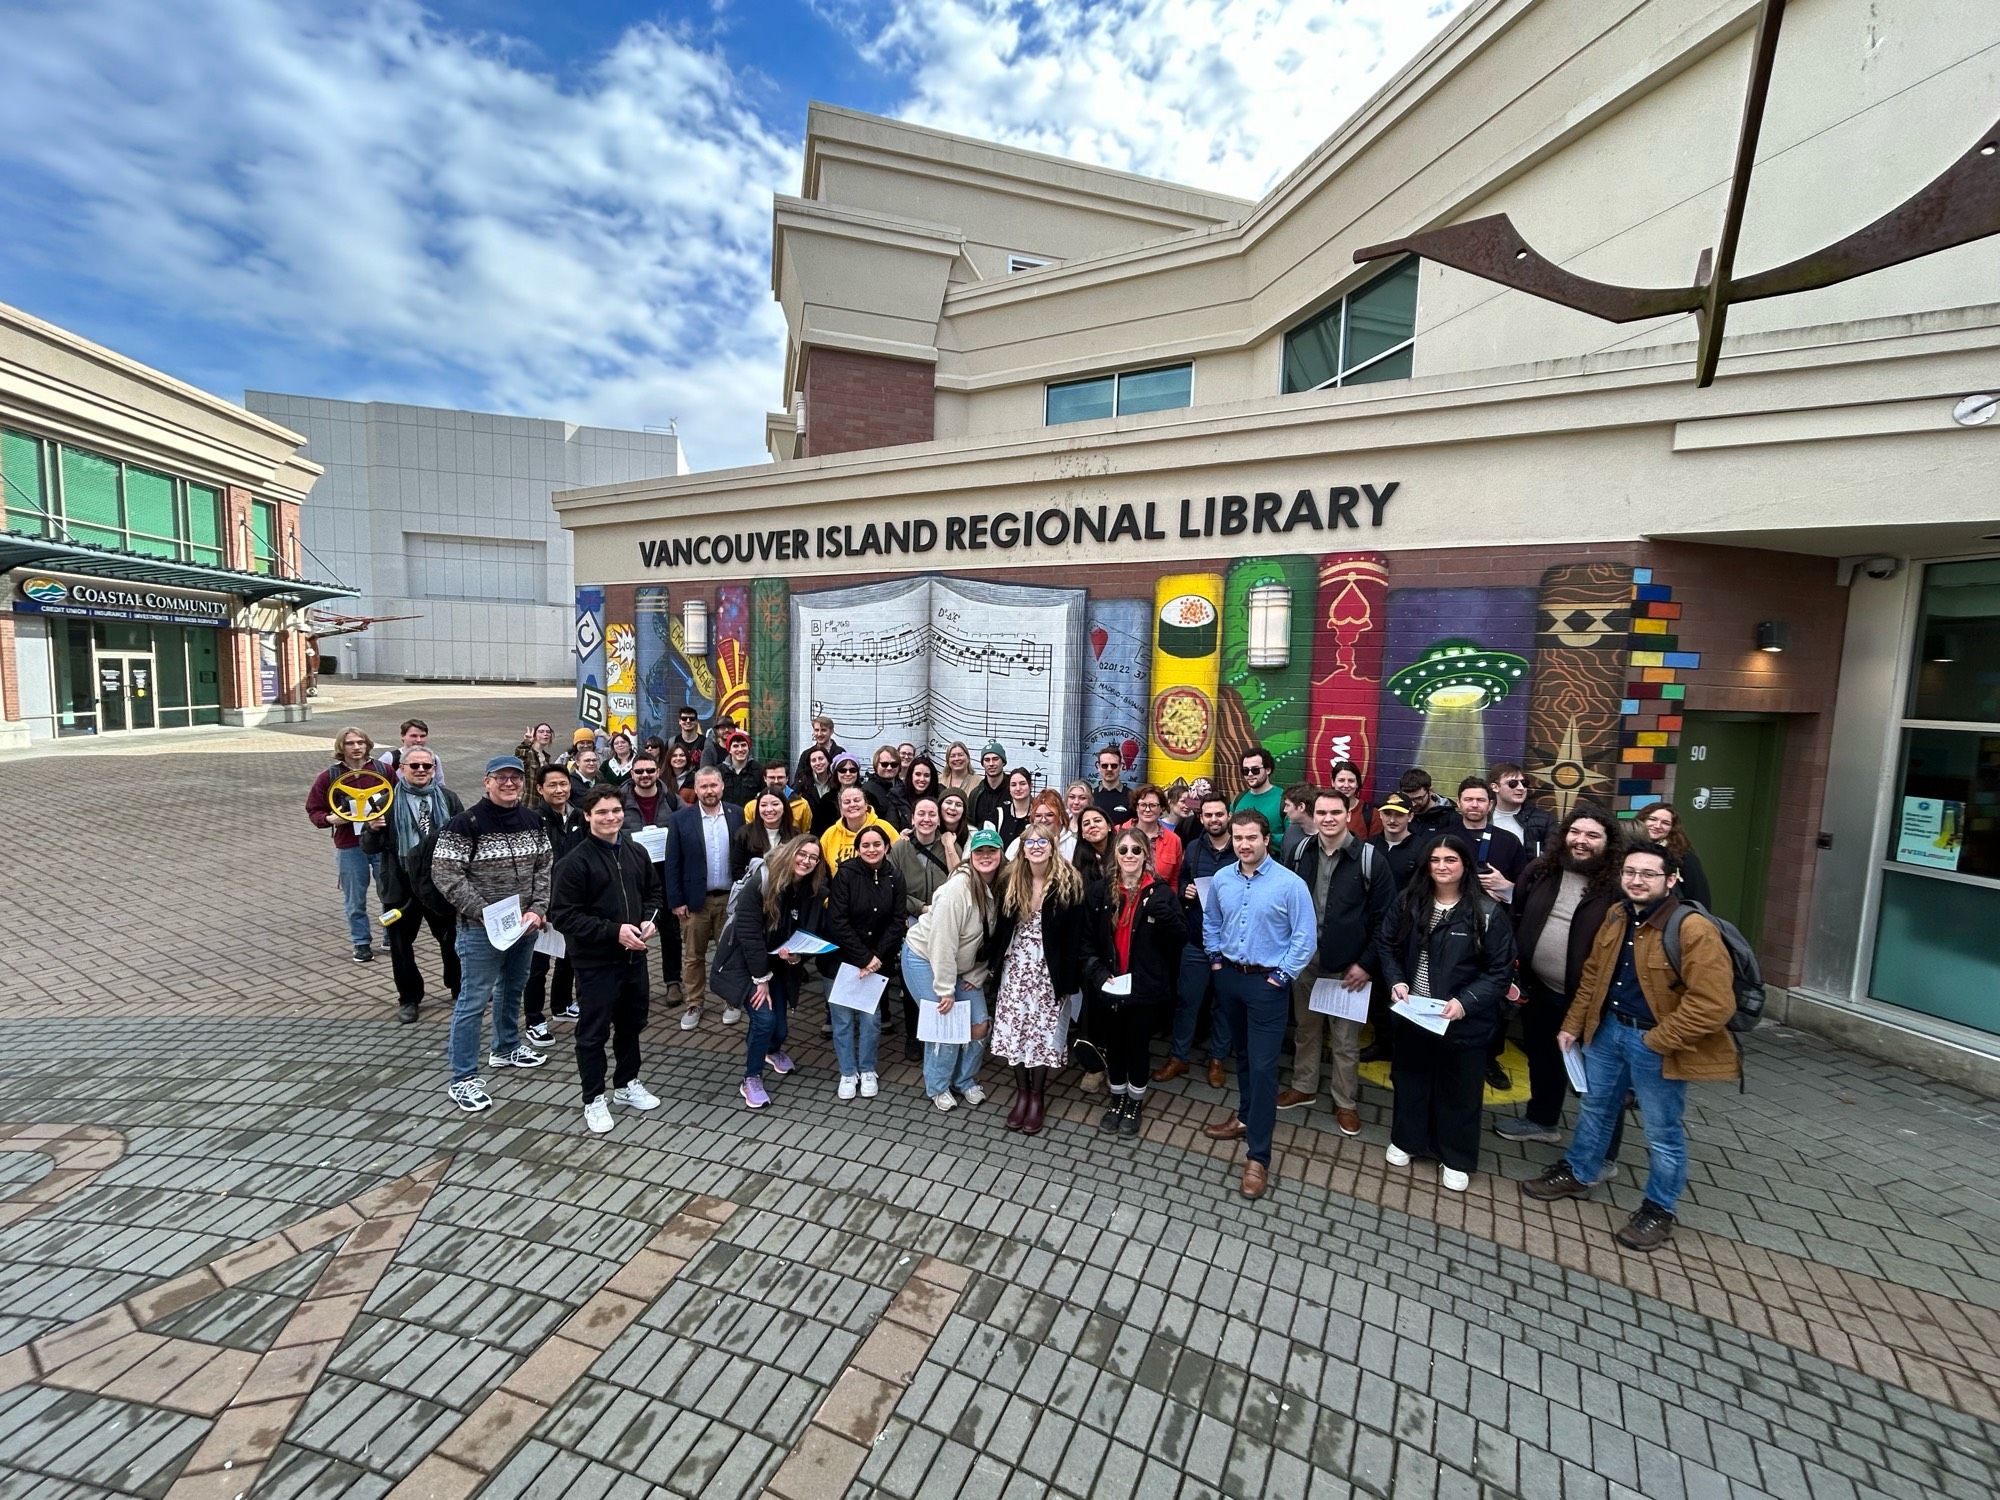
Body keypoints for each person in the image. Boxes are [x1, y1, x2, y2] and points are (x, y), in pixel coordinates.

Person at [1522, 840, 1739, 1251]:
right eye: (1630, 873)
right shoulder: (1617, 915)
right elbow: (1593, 975)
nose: (1636, 880)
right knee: (1596, 1108)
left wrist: (1659, 1040)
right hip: (1606, 1033)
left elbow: (1714, 1004)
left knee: (1662, 1131)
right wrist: (1574, 1024)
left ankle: (1659, 1209)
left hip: (1656, 1041)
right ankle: (1579, 1172)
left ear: (1671, 880)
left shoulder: (1693, 929)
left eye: (1648, 874)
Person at [1379, 834, 1517, 1192]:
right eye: (1435, 859)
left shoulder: (1487, 912)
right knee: (1410, 1080)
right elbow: (1387, 945)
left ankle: (1455, 1156)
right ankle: (1408, 1140)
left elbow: (1499, 972)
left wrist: (1466, 1002)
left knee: (1459, 1089)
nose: (1442, 866)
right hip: (1414, 1013)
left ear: (1465, 865)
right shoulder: (1409, 901)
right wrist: (1395, 981)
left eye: (1450, 860)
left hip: (1461, 1019)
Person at [1198, 811, 1318, 1200]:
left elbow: (1305, 938)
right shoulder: (1222, 879)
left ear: (1267, 839)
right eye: (1238, 838)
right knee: (1244, 1058)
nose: (1244, 844)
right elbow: (1211, 920)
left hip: (1268, 983)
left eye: (1252, 837)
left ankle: (1258, 1157)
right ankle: (1246, 1117)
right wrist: (1215, 959)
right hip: (1230, 977)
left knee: (1265, 1069)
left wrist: (1281, 977)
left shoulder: (1290, 885)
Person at [431, 755, 554, 1112]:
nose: (509, 783)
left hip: (525, 925)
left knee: (514, 987)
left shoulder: (534, 821)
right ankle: (463, 1078)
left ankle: (506, 1047)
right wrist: (484, 913)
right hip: (480, 929)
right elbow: (446, 874)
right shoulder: (464, 824)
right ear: (487, 782)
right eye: (501, 778)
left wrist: (538, 908)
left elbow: (545, 866)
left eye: (515, 778)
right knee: (472, 1001)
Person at [1496, 805, 1624, 1145]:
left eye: (1592, 836)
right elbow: (1517, 912)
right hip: (1539, 989)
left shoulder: (1618, 887)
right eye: (1575, 833)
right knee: (1543, 1059)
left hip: (1594, 1001)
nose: (1581, 842)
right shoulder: (1542, 870)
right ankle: (1542, 1121)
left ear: (1609, 843)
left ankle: (1602, 1152)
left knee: (1599, 1077)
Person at [548, 786, 663, 1134]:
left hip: (634, 959)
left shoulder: (636, 851)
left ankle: (627, 1084)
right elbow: (563, 916)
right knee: (593, 1033)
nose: (610, 817)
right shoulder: (574, 862)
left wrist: (649, 920)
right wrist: (613, 932)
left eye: (615, 811)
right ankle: (593, 1097)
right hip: (596, 963)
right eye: (602, 812)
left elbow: (654, 892)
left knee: (632, 1024)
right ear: (587, 816)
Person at [1279, 789, 1392, 1135]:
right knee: (1306, 1028)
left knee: (1345, 1041)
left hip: (1349, 967)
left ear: (1348, 814)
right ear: (1313, 816)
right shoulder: (1300, 852)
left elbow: (1386, 920)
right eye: (1322, 812)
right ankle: (1305, 1086)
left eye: (1335, 812)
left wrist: (1367, 964)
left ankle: (1346, 1102)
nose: (1327, 818)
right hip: (1306, 960)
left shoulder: (1371, 859)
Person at [1082, 830, 1186, 1137]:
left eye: (1136, 850)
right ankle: (1116, 1098)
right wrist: (1099, 975)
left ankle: (1134, 1102)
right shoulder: (1100, 892)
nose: (1129, 855)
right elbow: (1086, 943)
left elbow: (1181, 939)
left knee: (1138, 1046)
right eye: (1123, 849)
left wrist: (1165, 917)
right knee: (1114, 1045)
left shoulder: (1161, 893)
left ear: (1146, 856)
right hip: (1110, 984)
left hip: (1144, 987)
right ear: (1115, 855)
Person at [713, 835, 826, 1111]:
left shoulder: (811, 888)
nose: (807, 861)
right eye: (802, 853)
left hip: (778, 961)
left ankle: (771, 1051)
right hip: (746, 961)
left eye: (813, 857)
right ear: (790, 851)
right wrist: (760, 979)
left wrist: (799, 955)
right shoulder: (762, 880)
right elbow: (749, 933)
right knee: (763, 1019)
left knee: (780, 1026)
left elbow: (808, 930)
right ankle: (750, 1078)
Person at [988, 828, 1089, 1135]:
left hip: (1050, 968)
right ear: (1022, 848)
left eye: (1041, 841)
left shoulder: (1068, 882)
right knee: (1015, 1028)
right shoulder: (1010, 879)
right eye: (1029, 842)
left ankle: (1037, 1095)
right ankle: (1021, 1092)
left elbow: (1076, 936)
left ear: (1052, 845)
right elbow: (1000, 928)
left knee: (1043, 1032)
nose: (1035, 847)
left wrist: (1070, 980)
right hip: (1017, 965)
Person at [903, 829, 1006, 1111]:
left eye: (992, 851)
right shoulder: (955, 891)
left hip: (964, 965)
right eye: (979, 852)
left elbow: (991, 939)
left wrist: (977, 975)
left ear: (1001, 854)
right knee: (946, 1024)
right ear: (969, 856)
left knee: (979, 1022)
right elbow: (942, 943)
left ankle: (965, 1080)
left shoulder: (1000, 886)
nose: (986, 857)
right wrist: (945, 989)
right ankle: (938, 1085)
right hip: (924, 957)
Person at [362, 746, 462, 1024]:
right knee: (401, 944)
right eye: (414, 765)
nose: (421, 770)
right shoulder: (385, 800)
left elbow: (463, 839)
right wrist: (372, 829)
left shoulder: (448, 798)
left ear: (434, 769)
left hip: (439, 882)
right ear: (402, 768)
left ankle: (458, 986)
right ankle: (409, 997)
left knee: (452, 938)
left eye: (426, 766)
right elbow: (368, 847)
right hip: (401, 883)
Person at [1154, 791, 1236, 1086]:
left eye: (1219, 814)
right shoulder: (1193, 847)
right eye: (1208, 815)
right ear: (1200, 818)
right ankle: (1179, 1057)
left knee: (1223, 1004)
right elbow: (1183, 878)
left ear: (1228, 815)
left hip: (1230, 943)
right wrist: (1186, 889)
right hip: (1197, 938)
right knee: (1187, 1000)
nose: (1214, 820)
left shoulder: (1240, 847)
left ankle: (1216, 1059)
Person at [824, 825, 906, 1100]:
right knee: (843, 1020)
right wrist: (864, 957)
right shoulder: (846, 874)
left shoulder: (895, 876)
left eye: (877, 844)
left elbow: (897, 920)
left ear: (886, 847)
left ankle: (868, 1069)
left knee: (871, 1020)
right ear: (858, 848)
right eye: (866, 845)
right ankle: (848, 1072)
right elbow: (838, 920)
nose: (872, 849)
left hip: (876, 961)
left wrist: (877, 958)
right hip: (844, 960)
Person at [666, 767, 743, 1030]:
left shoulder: (737, 814)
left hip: (729, 901)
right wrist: (676, 901)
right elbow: (672, 862)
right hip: (694, 902)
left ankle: (730, 1000)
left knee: (730, 954)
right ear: (695, 789)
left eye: (713, 785)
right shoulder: (680, 820)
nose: (709, 791)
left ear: (722, 786)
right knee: (693, 956)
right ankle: (694, 1003)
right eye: (703, 786)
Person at [306, 725, 384, 963]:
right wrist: (330, 818)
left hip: (382, 843)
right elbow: (314, 809)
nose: (356, 747)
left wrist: (386, 818)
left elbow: (397, 799)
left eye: (360, 742)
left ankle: (393, 935)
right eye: (350, 743)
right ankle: (361, 943)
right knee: (355, 898)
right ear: (341, 747)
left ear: (368, 744)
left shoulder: (383, 770)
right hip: (350, 844)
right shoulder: (328, 777)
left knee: (391, 894)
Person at [523, 762, 586, 1044]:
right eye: (553, 785)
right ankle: (534, 1018)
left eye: (564, 784)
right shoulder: (533, 820)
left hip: (572, 903)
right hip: (542, 906)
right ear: (539, 789)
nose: (560, 789)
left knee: (568, 956)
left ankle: (561, 1005)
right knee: (538, 965)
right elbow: (530, 868)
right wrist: (538, 906)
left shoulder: (578, 817)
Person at [620, 753, 685, 1013]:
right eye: (639, 772)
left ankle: (673, 981)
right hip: (633, 873)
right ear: (632, 774)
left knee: (670, 931)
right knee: (633, 928)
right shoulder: (620, 800)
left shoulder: (671, 799)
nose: (645, 776)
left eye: (649, 770)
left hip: (665, 874)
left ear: (658, 772)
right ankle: (634, 984)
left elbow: (684, 829)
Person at [1453, 776, 1528, 898]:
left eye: (1481, 800)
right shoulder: (1443, 839)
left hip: (1497, 913)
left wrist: (1506, 886)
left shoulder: (1509, 841)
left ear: (1490, 804)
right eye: (1468, 799)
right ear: (1458, 803)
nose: (1474, 805)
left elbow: (1524, 887)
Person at [1634, 802, 1712, 908]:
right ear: (1642, 820)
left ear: (1672, 828)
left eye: (1665, 823)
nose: (1657, 826)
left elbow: (1698, 895)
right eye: (1652, 819)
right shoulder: (1629, 850)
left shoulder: (1683, 856)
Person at [819, 784, 899, 871]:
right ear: (841, 809)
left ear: (866, 805)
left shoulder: (885, 828)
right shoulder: (830, 834)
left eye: (857, 800)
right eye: (847, 802)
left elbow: (900, 858)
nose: (852, 804)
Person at [1489, 762, 1553, 862]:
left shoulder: (1544, 820)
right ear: (1495, 787)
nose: (1521, 788)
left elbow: (1554, 858)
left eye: (1524, 783)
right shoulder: (1484, 817)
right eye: (1512, 784)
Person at [734, 790, 796, 879]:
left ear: (784, 807)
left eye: (775, 804)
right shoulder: (744, 834)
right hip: (753, 889)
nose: (769, 809)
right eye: (763, 805)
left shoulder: (795, 835)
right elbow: (737, 870)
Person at [1130, 784, 1183, 888]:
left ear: (1162, 808)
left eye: (1153, 805)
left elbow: (1174, 880)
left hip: (1160, 900)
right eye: (1143, 805)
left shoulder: (1174, 840)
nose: (1147, 809)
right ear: (1136, 807)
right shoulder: (1120, 832)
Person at [1387, 767, 1455, 841]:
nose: (1413, 804)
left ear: (1431, 791)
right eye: (1408, 798)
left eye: (1418, 798)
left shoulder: (1450, 818)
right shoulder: (1399, 813)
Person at [1005, 789, 1075, 861]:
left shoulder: (1073, 845)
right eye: (1038, 816)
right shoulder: (1018, 843)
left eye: (1049, 815)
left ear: (1060, 816)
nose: (1043, 820)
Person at [747, 760, 812, 833]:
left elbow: (806, 834)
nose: (776, 781)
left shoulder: (802, 805)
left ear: (787, 778)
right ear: (765, 778)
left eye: (780, 777)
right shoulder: (752, 806)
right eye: (772, 777)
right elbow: (749, 834)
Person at [862, 745, 914, 829]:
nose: (889, 768)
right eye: (884, 764)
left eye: (894, 764)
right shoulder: (867, 790)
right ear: (876, 765)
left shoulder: (905, 788)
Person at [376, 718, 440, 784]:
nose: (419, 740)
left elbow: (440, 784)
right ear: (402, 736)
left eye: (422, 736)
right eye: (414, 736)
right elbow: (375, 780)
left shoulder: (434, 759)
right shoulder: (390, 758)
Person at [1232, 746, 1283, 828]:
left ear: (1268, 770)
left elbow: (1291, 837)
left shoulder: (1283, 799)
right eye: (1245, 770)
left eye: (1255, 770)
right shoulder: (1238, 799)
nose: (1250, 774)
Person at [793, 714, 844, 790]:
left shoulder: (840, 753)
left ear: (831, 731)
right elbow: (798, 780)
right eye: (816, 730)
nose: (819, 734)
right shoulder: (806, 754)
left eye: (823, 730)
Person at [713, 729, 761, 808]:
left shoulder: (758, 770)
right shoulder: (718, 772)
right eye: (735, 746)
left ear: (748, 748)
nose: (740, 749)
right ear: (729, 750)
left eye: (743, 745)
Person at [969, 742, 1011, 830]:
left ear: (1003, 762)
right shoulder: (976, 794)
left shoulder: (1013, 791)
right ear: (983, 764)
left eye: (995, 759)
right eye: (987, 760)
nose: (991, 764)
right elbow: (970, 823)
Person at [800, 745, 840, 834]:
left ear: (828, 761)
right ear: (809, 764)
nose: (818, 763)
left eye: (821, 759)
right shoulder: (803, 785)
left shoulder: (837, 783)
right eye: (813, 760)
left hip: (834, 830)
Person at [1330, 760, 1374, 841]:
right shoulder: (1322, 811)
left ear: (1357, 783)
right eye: (1341, 780)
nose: (1346, 785)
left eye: (1351, 781)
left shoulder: (1372, 814)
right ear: (1333, 782)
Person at [1071, 807, 1114, 887]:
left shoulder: (1123, 852)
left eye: (1097, 821)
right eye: (1086, 824)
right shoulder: (1079, 863)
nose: (1092, 825)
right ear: (1082, 834)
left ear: (1109, 826)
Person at [1091, 745, 1133, 825]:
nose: (1109, 769)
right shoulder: (1090, 796)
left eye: (1114, 766)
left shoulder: (1132, 797)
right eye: (1105, 766)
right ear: (1098, 767)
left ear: (1121, 767)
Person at [516, 723, 556, 806]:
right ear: (534, 735)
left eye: (548, 732)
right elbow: (519, 757)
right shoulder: (529, 752)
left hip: (542, 803)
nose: (545, 734)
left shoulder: (547, 757)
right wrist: (526, 742)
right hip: (527, 801)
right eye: (541, 731)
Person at [996, 767, 1036, 847]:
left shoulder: (1038, 814)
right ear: (1009, 788)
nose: (1018, 788)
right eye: (1013, 785)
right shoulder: (999, 813)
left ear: (1031, 785)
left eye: (1022, 784)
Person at [1276, 785, 1314, 865]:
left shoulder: (1325, 837)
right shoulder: (1290, 832)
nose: (1284, 810)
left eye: (1287, 805)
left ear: (1301, 807)